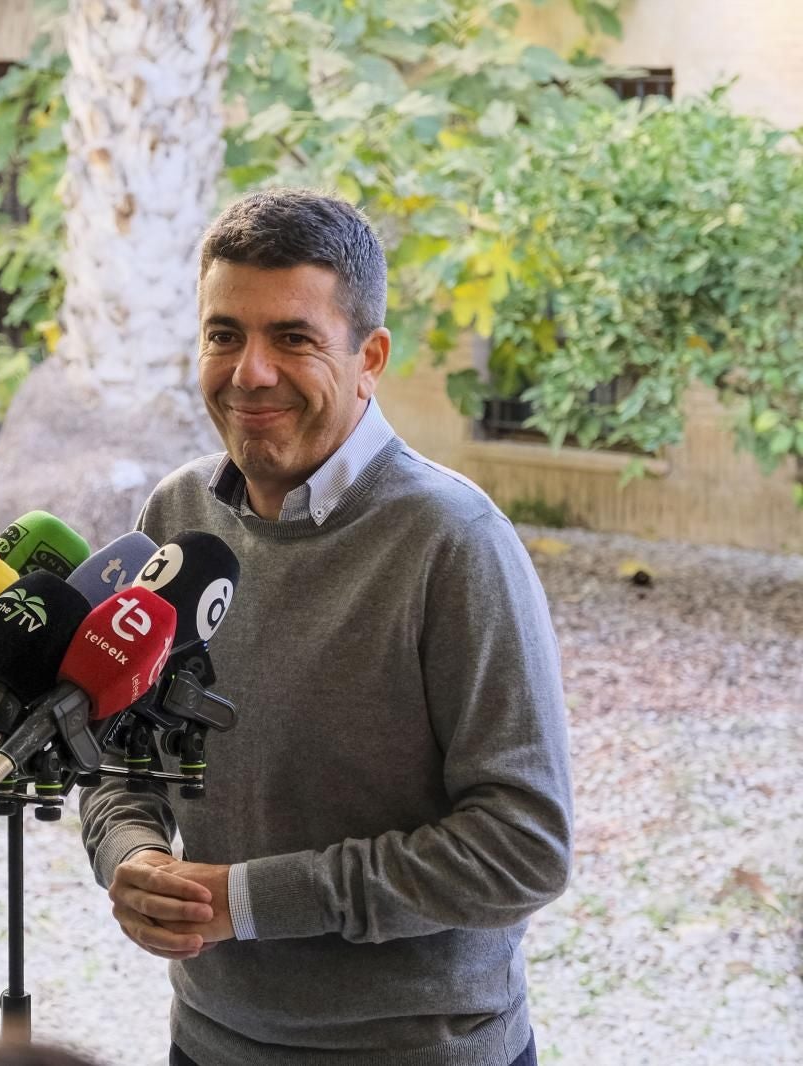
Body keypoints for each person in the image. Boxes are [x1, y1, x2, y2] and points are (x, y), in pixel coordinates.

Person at [79, 189, 572, 1066]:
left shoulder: (455, 541)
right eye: (224, 333)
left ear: (370, 356)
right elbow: (122, 758)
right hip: (208, 1042)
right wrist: (132, 855)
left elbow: (524, 849)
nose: (249, 371)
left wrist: (251, 900)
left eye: (294, 338)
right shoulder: (178, 512)